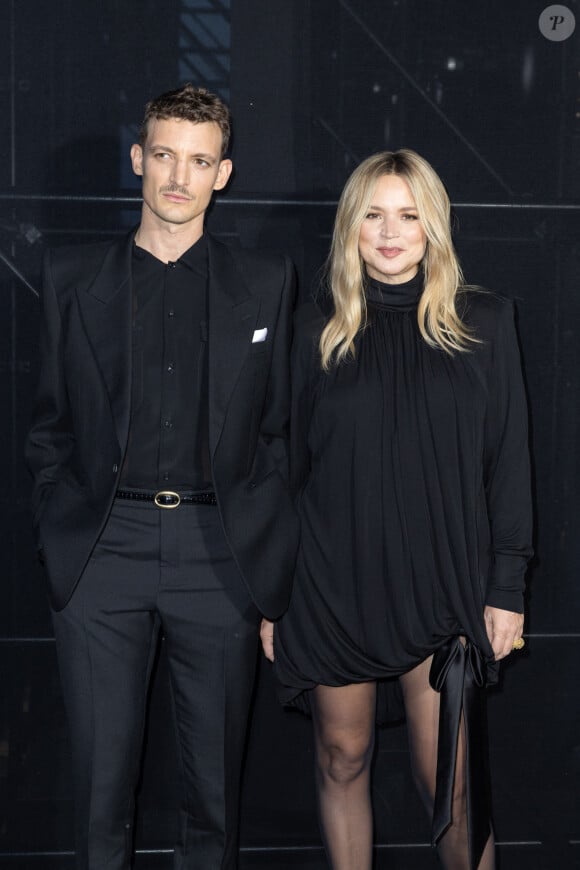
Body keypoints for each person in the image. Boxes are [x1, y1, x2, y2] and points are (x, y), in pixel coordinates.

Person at [26, 83, 298, 870]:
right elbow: (48, 426)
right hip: (102, 551)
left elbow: (281, 432)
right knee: (99, 795)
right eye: (166, 156)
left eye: (200, 160)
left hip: (220, 556)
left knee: (214, 795)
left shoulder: (267, 281)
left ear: (225, 172)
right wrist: (58, 535)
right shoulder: (73, 277)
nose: (180, 177)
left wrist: (266, 568)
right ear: (139, 159)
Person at [264, 149, 532, 870]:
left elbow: (509, 465)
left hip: (442, 578)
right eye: (375, 215)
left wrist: (507, 588)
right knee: (342, 758)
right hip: (330, 583)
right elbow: (284, 468)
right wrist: (272, 595)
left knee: (449, 783)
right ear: (351, 226)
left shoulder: (484, 323)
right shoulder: (311, 328)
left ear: (433, 225)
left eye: (408, 215)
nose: (390, 232)